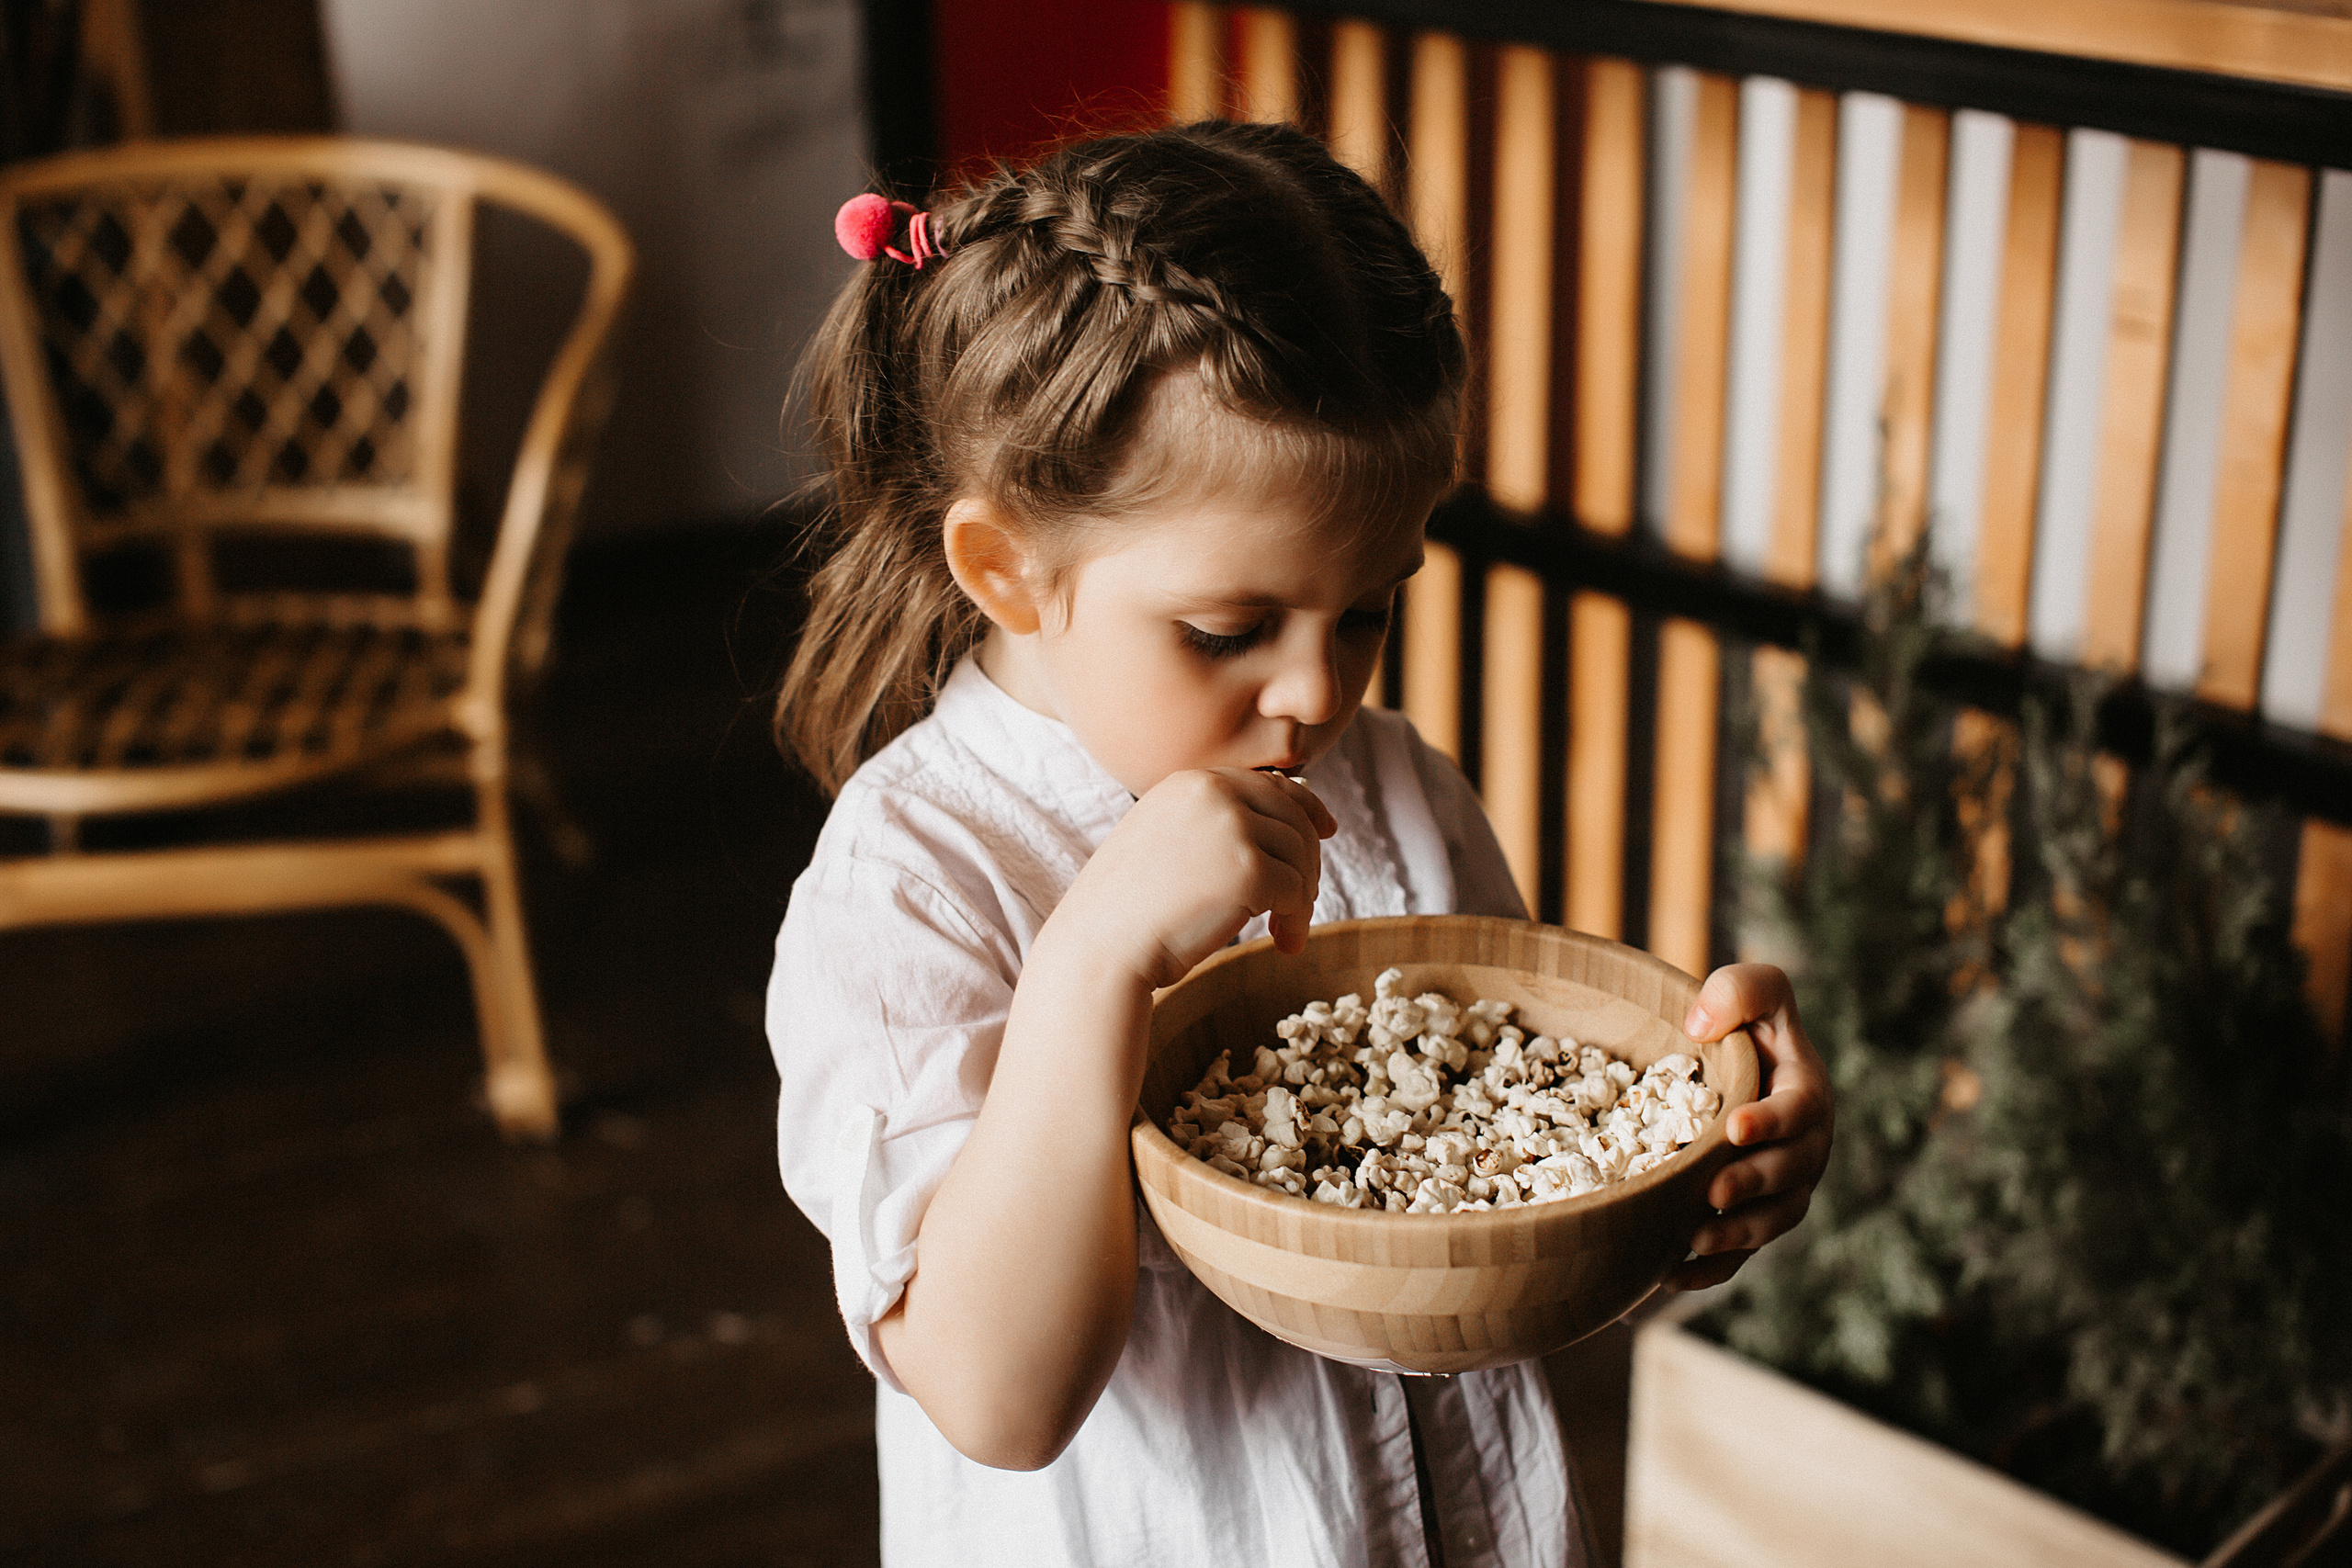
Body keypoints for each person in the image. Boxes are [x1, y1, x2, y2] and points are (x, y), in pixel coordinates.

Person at [768, 119, 1833, 1567]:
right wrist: (1090, 964)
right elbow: (997, 1399)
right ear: (1008, 567)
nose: (1321, 694)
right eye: (1230, 630)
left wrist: (1694, 1175)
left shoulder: (1400, 797)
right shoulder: (915, 883)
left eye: (1372, 609)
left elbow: (1499, 1218)